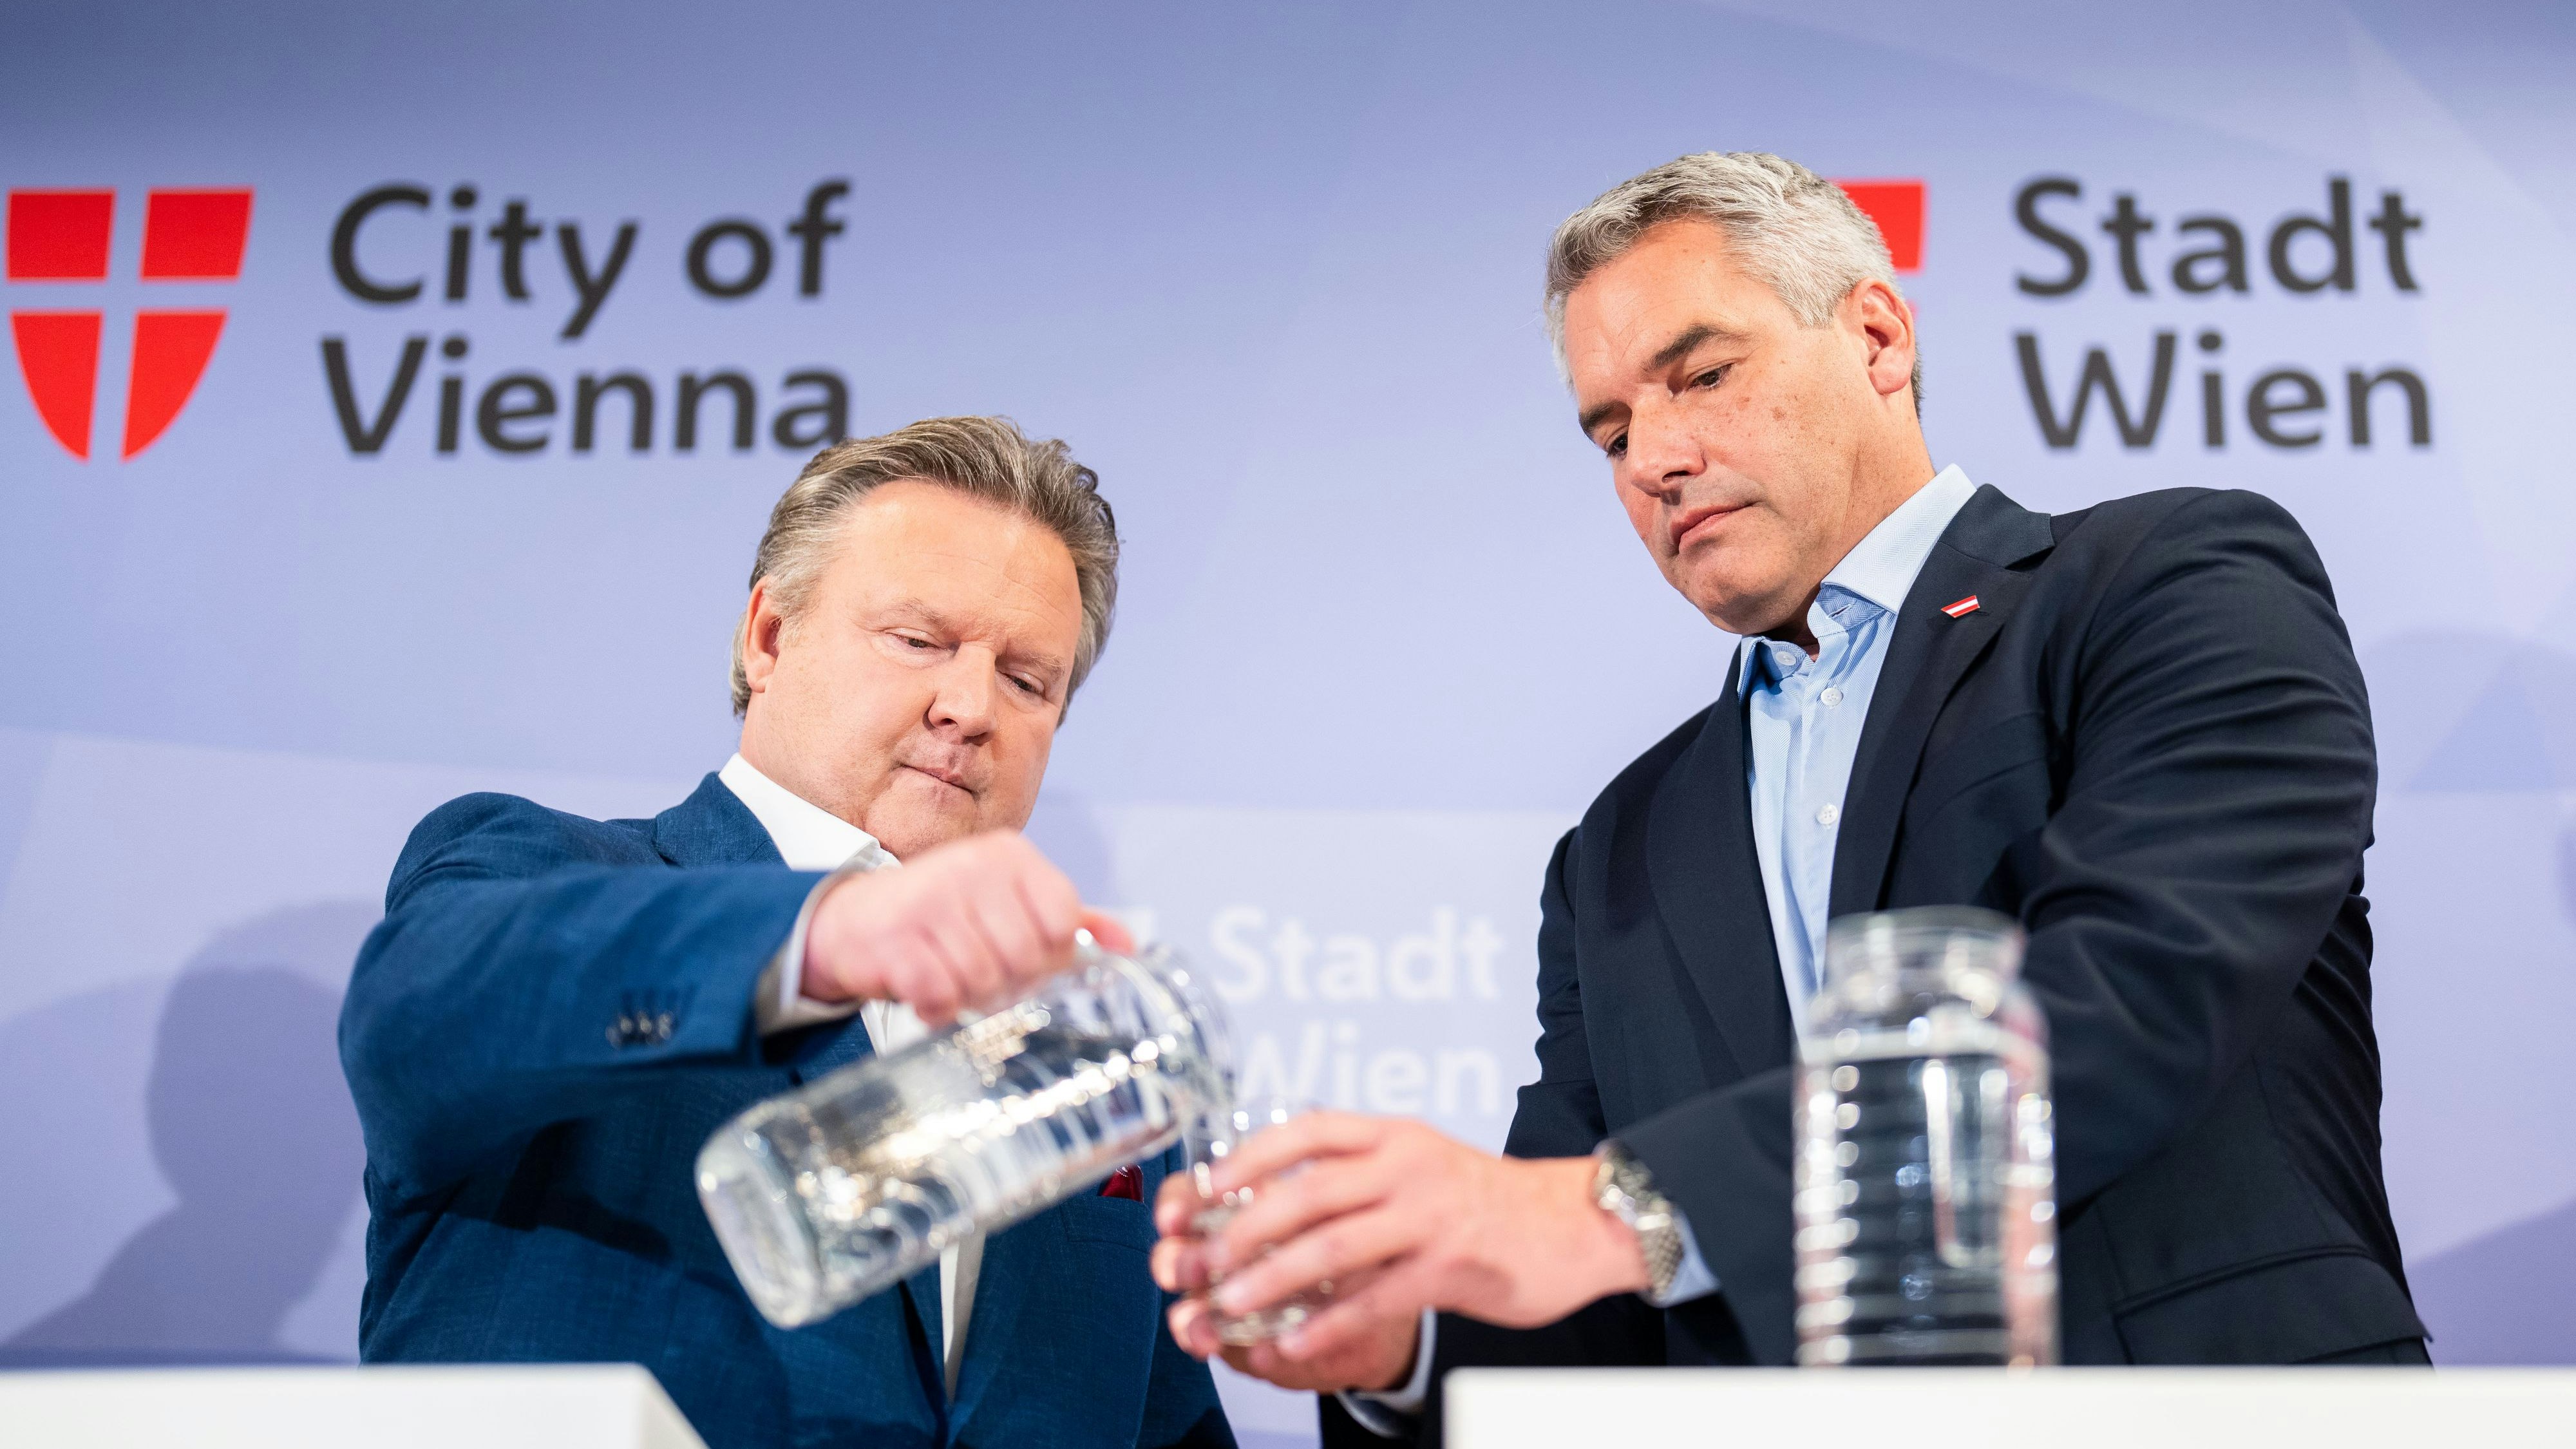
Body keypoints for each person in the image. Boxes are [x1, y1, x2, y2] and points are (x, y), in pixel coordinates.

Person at [1151, 152, 2425, 1441]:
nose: (1652, 457)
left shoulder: (2166, 582)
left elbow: (2128, 1005)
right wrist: (1407, 1341)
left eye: (1699, 375)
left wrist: (1607, 1210)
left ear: (1875, 336)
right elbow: (1584, 1296)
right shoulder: (1616, 850)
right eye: (1608, 433)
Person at [342, 417, 1232, 1449]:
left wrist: (1388, 1370)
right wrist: (827, 929)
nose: (969, 706)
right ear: (768, 637)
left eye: (1028, 680)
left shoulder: (1085, 1061)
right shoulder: (544, 869)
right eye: (919, 640)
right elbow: (419, 1015)